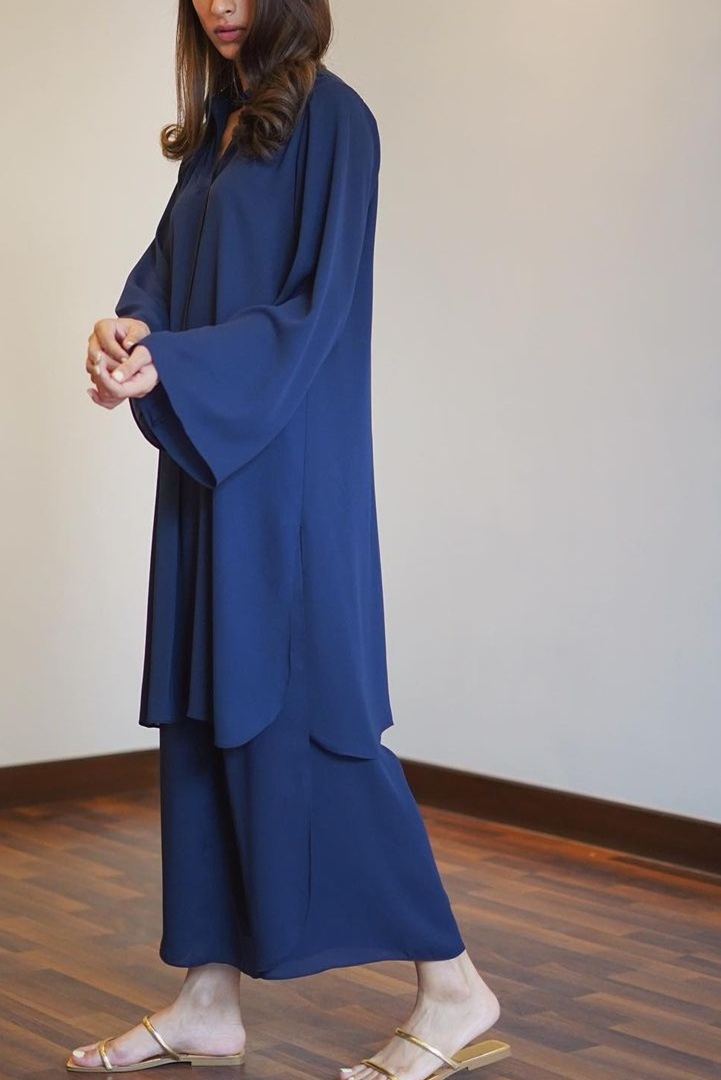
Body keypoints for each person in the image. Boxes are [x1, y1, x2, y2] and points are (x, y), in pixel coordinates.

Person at [71, 1, 510, 1077]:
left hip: (291, 474)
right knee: (201, 711)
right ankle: (208, 999)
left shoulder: (336, 121)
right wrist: (125, 336)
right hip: (209, 469)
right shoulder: (219, 134)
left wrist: (178, 364)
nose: (220, 3)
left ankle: (454, 986)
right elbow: (163, 280)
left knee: (313, 721)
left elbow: (317, 312)